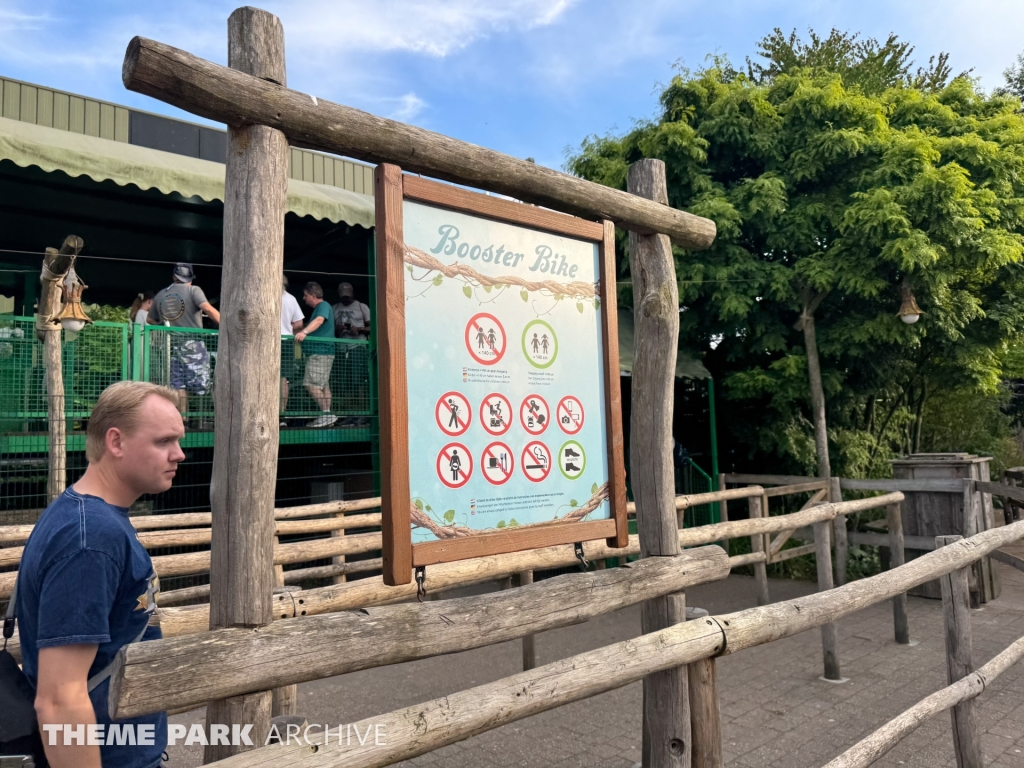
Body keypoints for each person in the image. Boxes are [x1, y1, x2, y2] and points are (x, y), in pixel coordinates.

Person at [17, 381, 183, 768]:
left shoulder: (86, 517)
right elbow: (59, 699)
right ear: (116, 442)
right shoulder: (91, 538)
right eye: (164, 441)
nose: (180, 453)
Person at [147, 263, 220, 424]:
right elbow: (207, 309)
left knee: (178, 384)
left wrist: (165, 324)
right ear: (190, 278)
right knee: (203, 383)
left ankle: (183, 419)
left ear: (174, 277)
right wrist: (225, 324)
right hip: (192, 344)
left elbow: (150, 319)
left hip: (170, 345)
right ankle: (204, 420)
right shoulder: (193, 290)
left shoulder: (161, 295)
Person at [295, 282, 336, 427]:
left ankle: (327, 414)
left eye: (306, 295)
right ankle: (326, 414)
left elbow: (319, 320)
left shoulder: (323, 306)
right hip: (323, 352)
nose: (304, 298)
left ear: (313, 295)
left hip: (320, 352)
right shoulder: (321, 307)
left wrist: (304, 332)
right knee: (323, 385)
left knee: (310, 384)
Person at [279, 274, 304, 427]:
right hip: (287, 341)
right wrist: (287, 327)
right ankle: (281, 415)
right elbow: (299, 323)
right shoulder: (291, 299)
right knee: (283, 379)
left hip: (269, 341)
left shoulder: (265, 295)